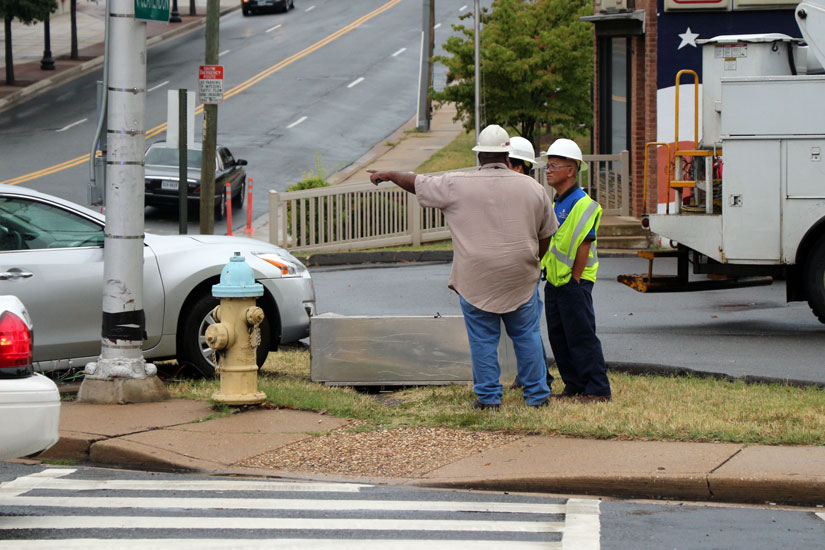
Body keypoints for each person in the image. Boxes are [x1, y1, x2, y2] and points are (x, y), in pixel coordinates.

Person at [368, 124, 558, 410]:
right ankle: (538, 396)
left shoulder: (456, 184)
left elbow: (415, 182)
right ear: (508, 156)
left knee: (483, 339)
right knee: (527, 335)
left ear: (479, 155)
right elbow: (546, 236)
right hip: (521, 276)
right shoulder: (533, 188)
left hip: (476, 277)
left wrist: (390, 175)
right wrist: (532, 261)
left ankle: (489, 399)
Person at [541, 138, 612, 403]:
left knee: (581, 336)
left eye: (554, 165)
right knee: (559, 337)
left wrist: (575, 279)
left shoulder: (583, 203)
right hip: (555, 281)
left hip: (574, 281)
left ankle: (598, 389)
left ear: (571, 170)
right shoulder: (556, 203)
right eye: (547, 165)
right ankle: (574, 385)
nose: (548, 170)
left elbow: (584, 243)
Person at [506, 136, 553, 392]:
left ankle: (535, 379)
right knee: (525, 329)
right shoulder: (533, 193)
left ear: (519, 166)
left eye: (507, 163)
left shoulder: (527, 194)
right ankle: (533, 377)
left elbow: (543, 235)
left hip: (524, 268)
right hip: (526, 267)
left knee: (526, 329)